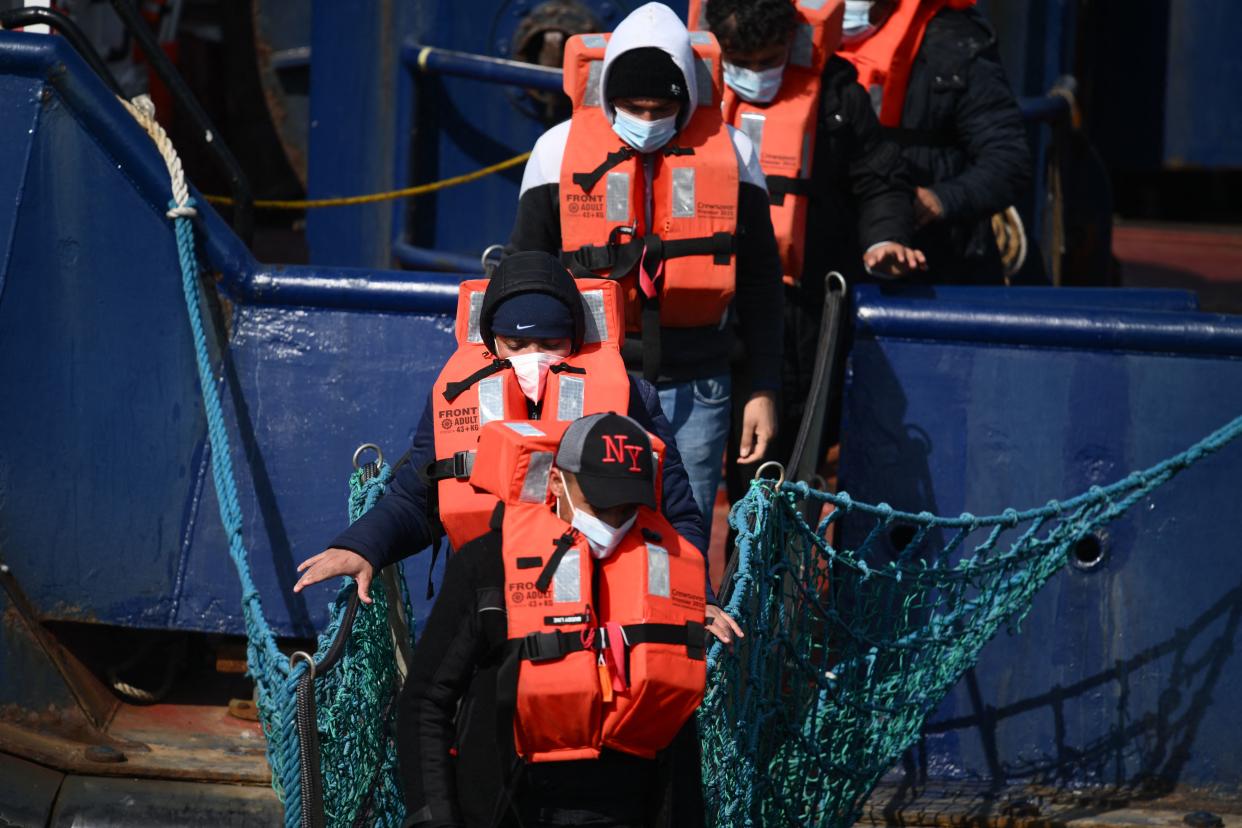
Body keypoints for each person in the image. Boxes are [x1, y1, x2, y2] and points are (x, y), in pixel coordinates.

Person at [508, 2, 785, 538]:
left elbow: (760, 286)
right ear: (608, 95)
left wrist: (763, 389)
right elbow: (524, 276)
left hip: (698, 383)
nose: (648, 121)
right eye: (633, 107)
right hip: (586, 377)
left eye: (661, 109)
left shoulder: (735, 155)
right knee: (577, 526)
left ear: (686, 99)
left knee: (683, 533)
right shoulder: (554, 154)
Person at [293, 251, 710, 603]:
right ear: (493, 342)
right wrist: (361, 546)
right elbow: (415, 499)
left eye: (550, 345)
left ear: (575, 340)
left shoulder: (633, 400)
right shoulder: (457, 398)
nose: (533, 356)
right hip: (485, 599)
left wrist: (697, 600)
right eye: (517, 345)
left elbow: (678, 518)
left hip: (599, 598)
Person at [399, 413, 743, 828]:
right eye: (600, 504)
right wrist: (433, 817)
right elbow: (425, 702)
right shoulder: (488, 565)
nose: (614, 522)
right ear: (558, 482)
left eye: (628, 508)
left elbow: (677, 725)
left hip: (628, 807)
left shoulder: (665, 573)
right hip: (510, 805)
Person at [695, 0, 926, 470]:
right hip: (703, 305)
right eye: (742, 61)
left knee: (783, 451)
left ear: (791, 43)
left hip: (795, 304)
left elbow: (878, 178)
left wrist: (883, 238)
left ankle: (774, 540)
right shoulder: (687, 89)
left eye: (769, 60)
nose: (755, 73)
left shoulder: (837, 95)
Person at [838, 0, 1033, 283]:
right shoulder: (795, 41)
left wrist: (939, 200)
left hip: (934, 258)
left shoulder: (957, 44)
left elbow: (1009, 159)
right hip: (833, 256)